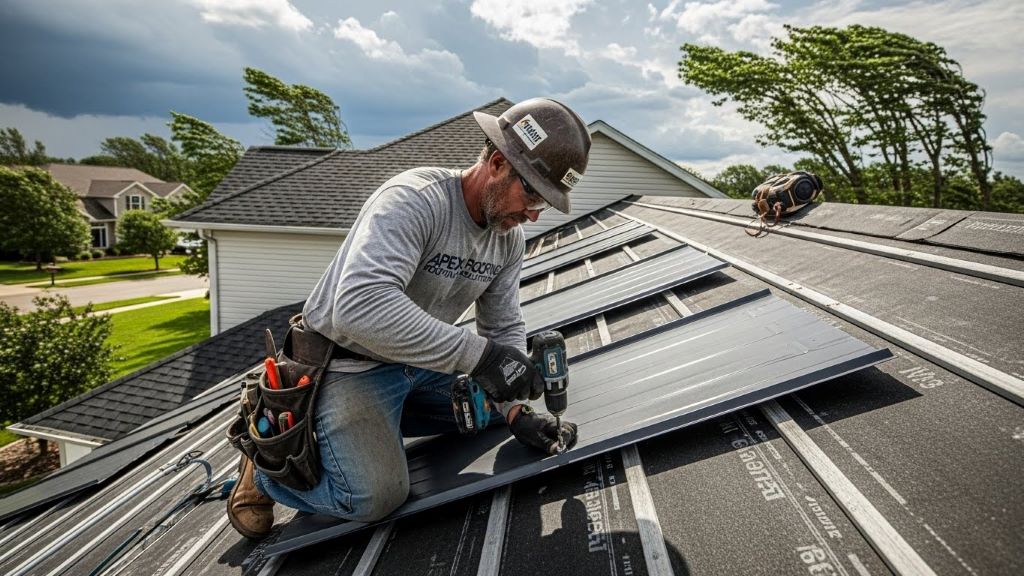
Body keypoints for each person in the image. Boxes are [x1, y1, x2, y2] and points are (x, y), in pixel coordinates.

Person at [227, 98, 592, 539]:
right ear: (497, 162)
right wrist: (480, 358)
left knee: (491, 409)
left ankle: (372, 428)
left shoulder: (507, 240)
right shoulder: (414, 201)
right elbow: (360, 305)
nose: (534, 213)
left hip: (415, 365)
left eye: (546, 203)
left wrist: (514, 408)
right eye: (531, 193)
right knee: (376, 498)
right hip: (345, 366)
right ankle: (267, 463)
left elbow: (501, 327)